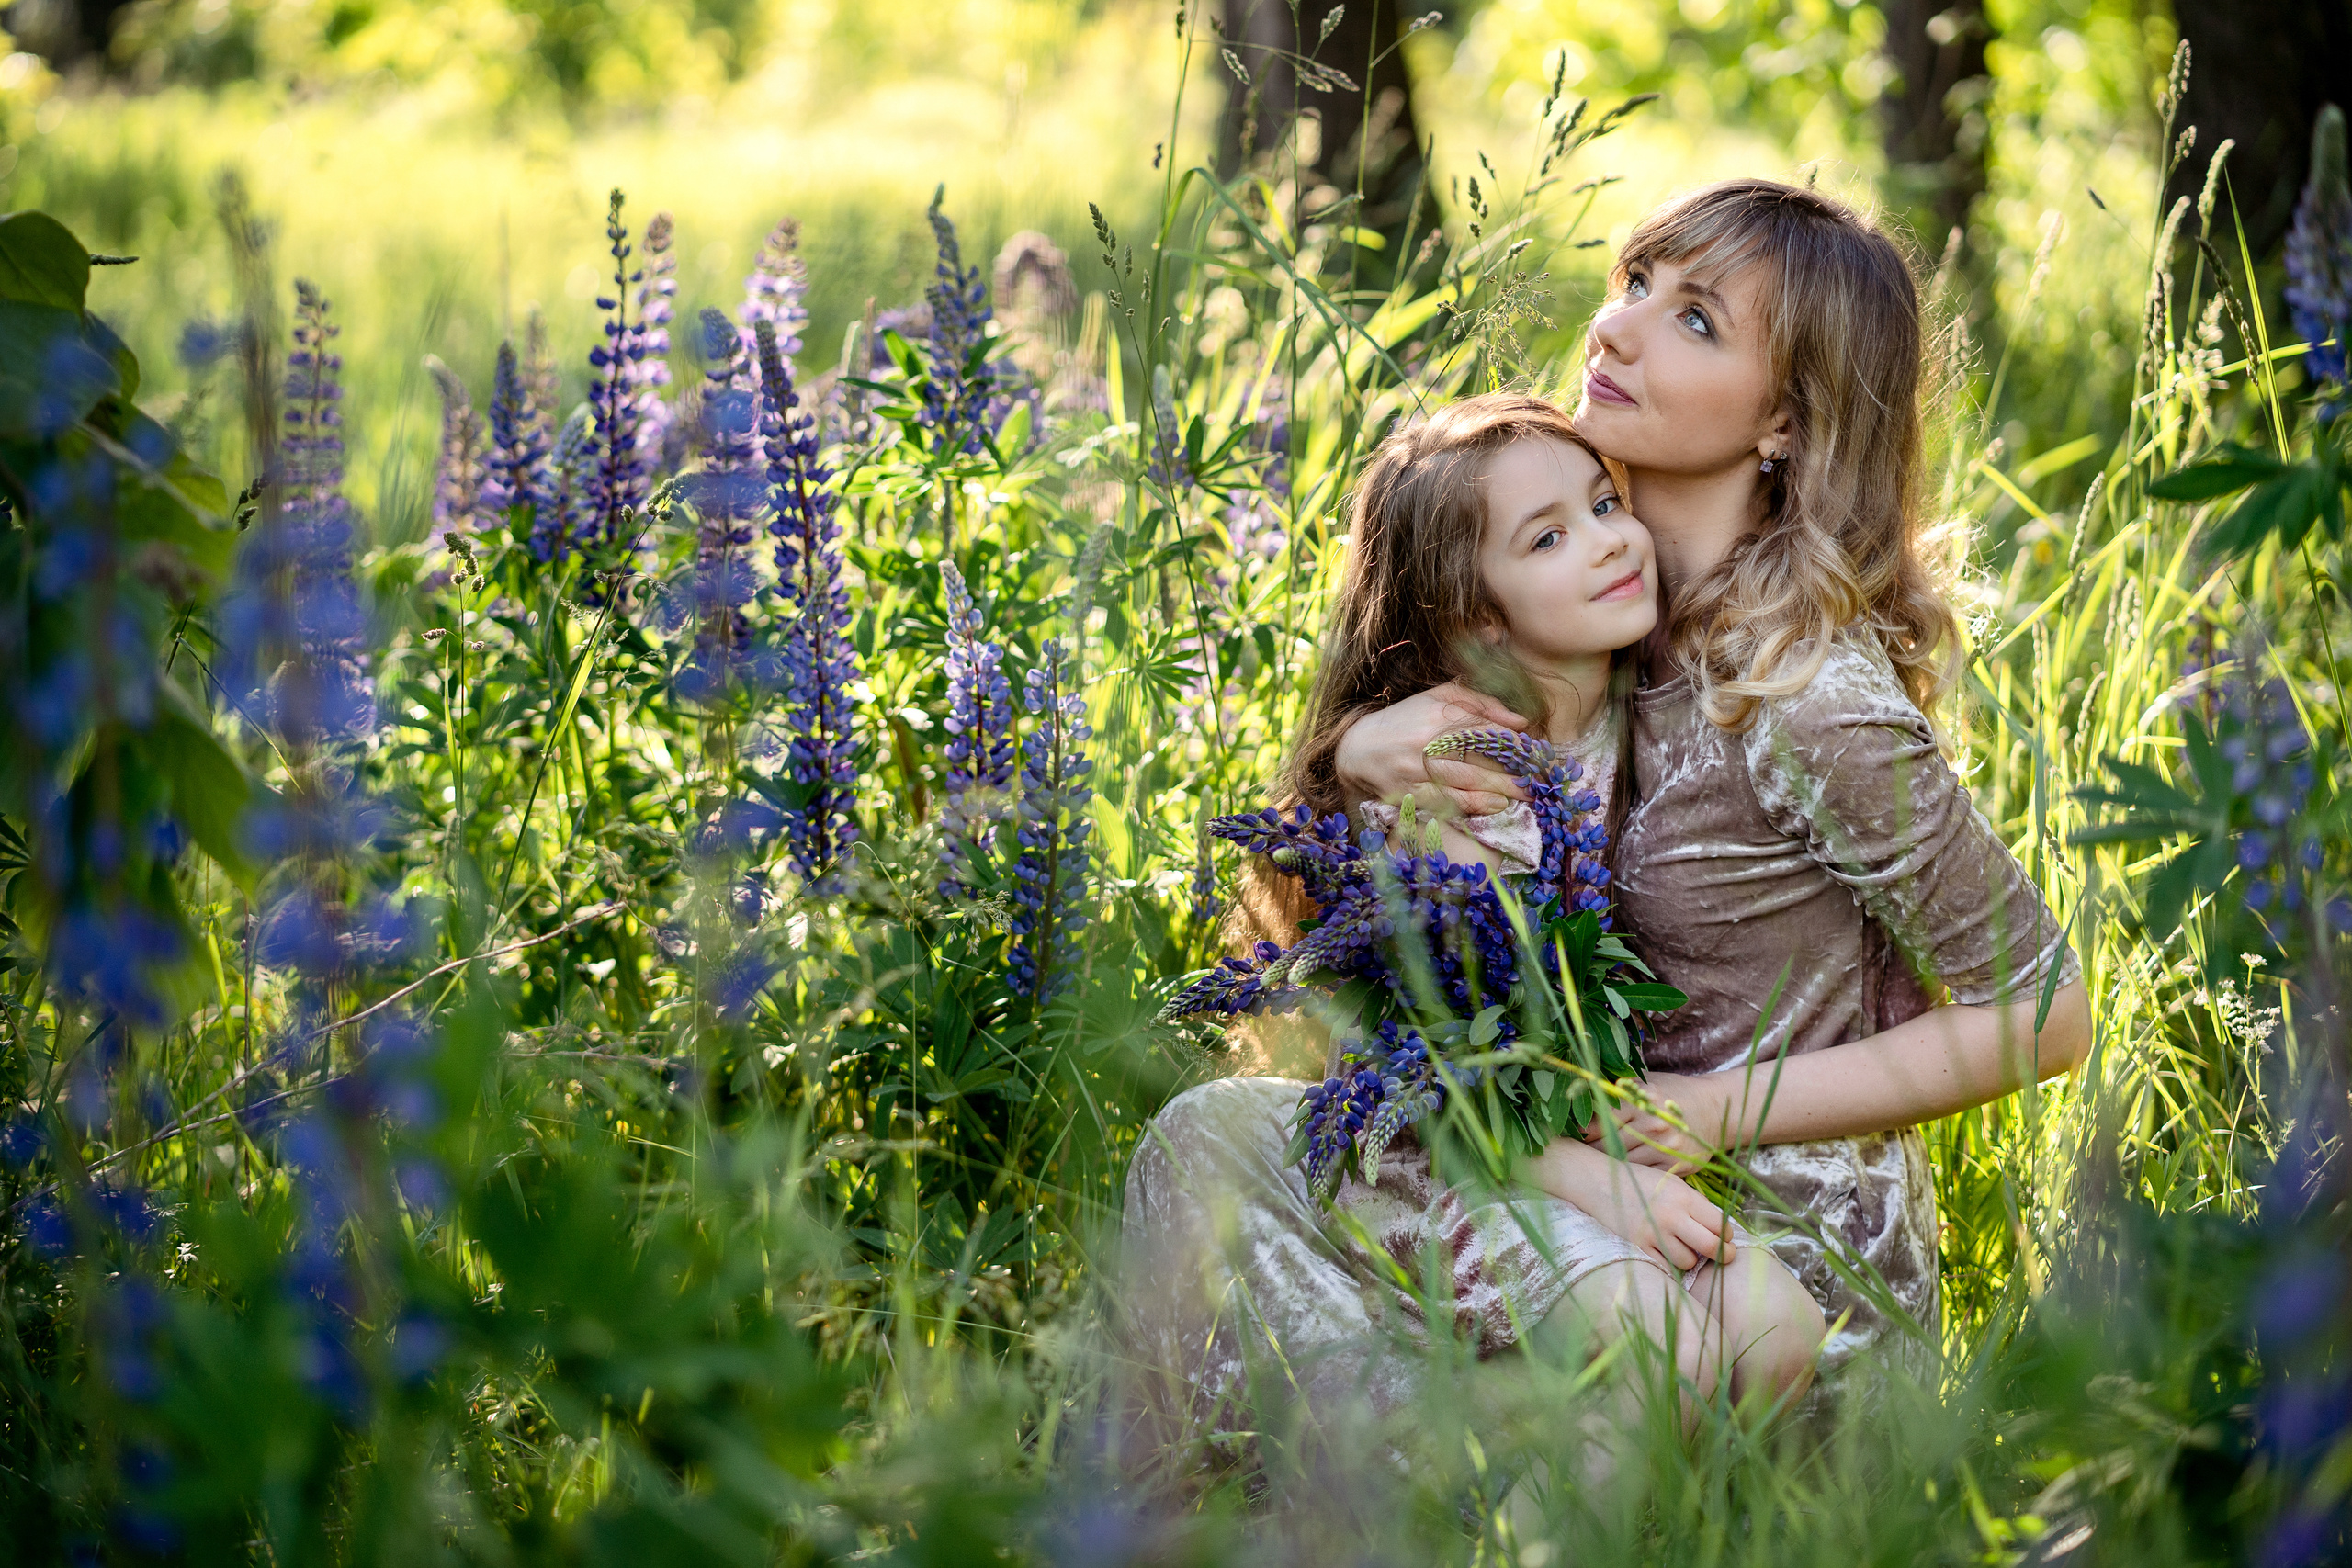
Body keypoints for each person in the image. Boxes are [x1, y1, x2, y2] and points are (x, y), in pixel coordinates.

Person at [1331, 179, 2093, 1396]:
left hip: (1781, 1275)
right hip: (1600, 1208)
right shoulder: (1608, 600)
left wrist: (1716, 1105)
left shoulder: (1802, 696)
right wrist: (1362, 752)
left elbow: (2046, 1011)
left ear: (1785, 420)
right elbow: (1432, 913)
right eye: (1633, 282)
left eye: (1694, 319)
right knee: (1234, 1144)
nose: (1616, 327)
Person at [1120, 393, 1825, 1487]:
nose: (1607, 543)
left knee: (1775, 1329)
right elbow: (1417, 1060)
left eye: (1602, 504)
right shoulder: (1453, 784)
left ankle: (1590, 1510)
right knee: (1663, 1339)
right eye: (1549, 539)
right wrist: (1599, 1189)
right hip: (1433, 1153)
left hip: (1564, 1138)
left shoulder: (1626, 692)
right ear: (1482, 620)